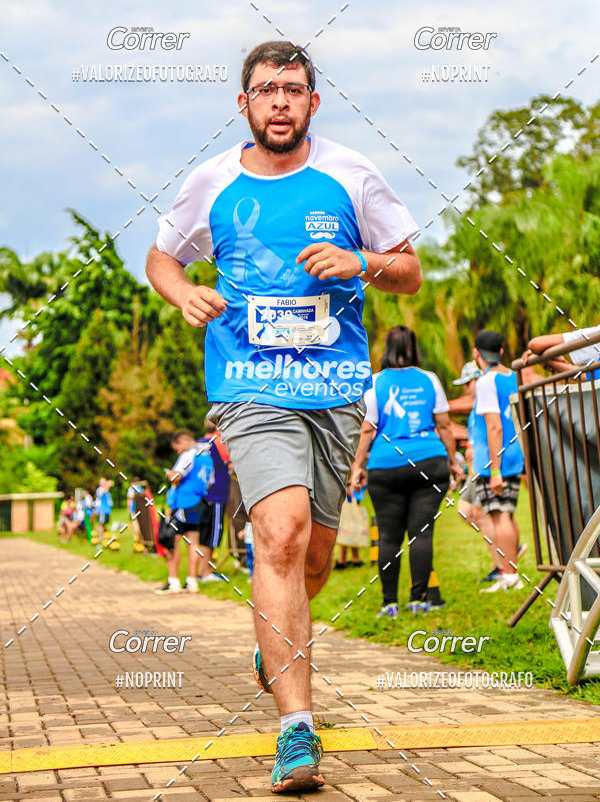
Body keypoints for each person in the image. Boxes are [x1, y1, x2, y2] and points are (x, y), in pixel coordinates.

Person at [145, 39, 421, 793]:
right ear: (244, 104)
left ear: (313, 102)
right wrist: (184, 293)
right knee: (281, 532)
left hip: (334, 388)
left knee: (315, 561)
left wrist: (361, 262)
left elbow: (409, 271)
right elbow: (163, 258)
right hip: (248, 384)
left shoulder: (351, 175)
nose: (279, 102)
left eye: (292, 89)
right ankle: (296, 729)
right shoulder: (213, 181)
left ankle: (276, 646)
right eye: (266, 90)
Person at [350, 326, 461, 617]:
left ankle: (389, 604)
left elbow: (367, 430)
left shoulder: (375, 382)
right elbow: (444, 425)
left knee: (388, 537)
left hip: (385, 464)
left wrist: (357, 467)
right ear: (413, 347)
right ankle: (419, 600)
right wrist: (453, 462)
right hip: (429, 461)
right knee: (421, 534)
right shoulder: (429, 379)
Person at [471, 330, 525, 593]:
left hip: (494, 459)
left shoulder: (485, 381)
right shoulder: (514, 377)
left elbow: (494, 427)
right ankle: (511, 573)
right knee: (507, 514)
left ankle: (510, 576)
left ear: (476, 353)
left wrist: (494, 470)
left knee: (498, 514)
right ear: (501, 351)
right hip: (515, 453)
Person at [155, 429, 215, 595]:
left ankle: (173, 582)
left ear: (182, 441)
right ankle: (192, 581)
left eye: (177, 448)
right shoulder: (207, 458)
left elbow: (177, 477)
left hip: (183, 503)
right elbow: (210, 482)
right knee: (193, 542)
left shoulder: (188, 455)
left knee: (171, 541)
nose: (177, 451)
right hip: (199, 503)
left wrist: (169, 474)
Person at [195, 418, 230, 582]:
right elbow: (230, 460)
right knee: (211, 535)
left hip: (200, 496)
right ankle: (206, 571)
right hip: (216, 494)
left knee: (202, 534)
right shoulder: (218, 442)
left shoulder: (198, 444)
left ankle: (201, 570)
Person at [524, 324, 600, 380]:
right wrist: (550, 362)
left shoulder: (596, 333)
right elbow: (590, 377)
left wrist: (547, 359)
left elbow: (535, 344)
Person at [334, 485, 366, 569]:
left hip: (349, 502)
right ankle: (353, 559)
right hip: (351, 500)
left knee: (347, 532)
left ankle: (343, 560)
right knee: (350, 531)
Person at [95, 478, 114, 544]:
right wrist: (108, 485)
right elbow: (102, 493)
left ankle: (105, 537)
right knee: (101, 524)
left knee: (104, 525)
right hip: (102, 510)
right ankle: (101, 538)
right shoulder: (100, 489)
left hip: (107, 511)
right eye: (103, 481)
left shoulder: (107, 491)